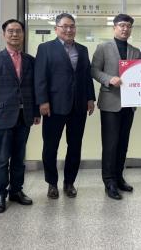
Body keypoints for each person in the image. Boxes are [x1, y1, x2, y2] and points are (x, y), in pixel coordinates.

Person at [0, 19, 41, 214]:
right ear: (4, 34)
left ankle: (16, 191)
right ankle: (0, 194)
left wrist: (35, 112)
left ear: (23, 34)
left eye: (18, 31)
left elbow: (33, 89)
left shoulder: (31, 60)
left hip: (25, 116)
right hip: (2, 117)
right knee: (2, 158)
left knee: (18, 157)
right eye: (10, 31)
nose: (14, 34)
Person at [34, 13, 95, 199]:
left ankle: (69, 182)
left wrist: (90, 98)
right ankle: (52, 183)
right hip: (54, 106)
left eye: (72, 26)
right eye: (65, 26)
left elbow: (86, 76)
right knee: (50, 147)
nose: (69, 30)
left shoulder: (83, 49)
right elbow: (40, 76)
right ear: (56, 29)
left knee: (75, 146)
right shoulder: (45, 48)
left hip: (78, 106)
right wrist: (42, 101)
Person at [91, 14, 141, 200]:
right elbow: (94, 70)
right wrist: (108, 79)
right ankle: (109, 181)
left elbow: (140, 75)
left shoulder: (136, 51)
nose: (125, 29)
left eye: (128, 26)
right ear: (114, 27)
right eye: (121, 25)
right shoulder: (103, 47)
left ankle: (119, 177)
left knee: (123, 143)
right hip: (110, 102)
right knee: (110, 144)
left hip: (129, 104)